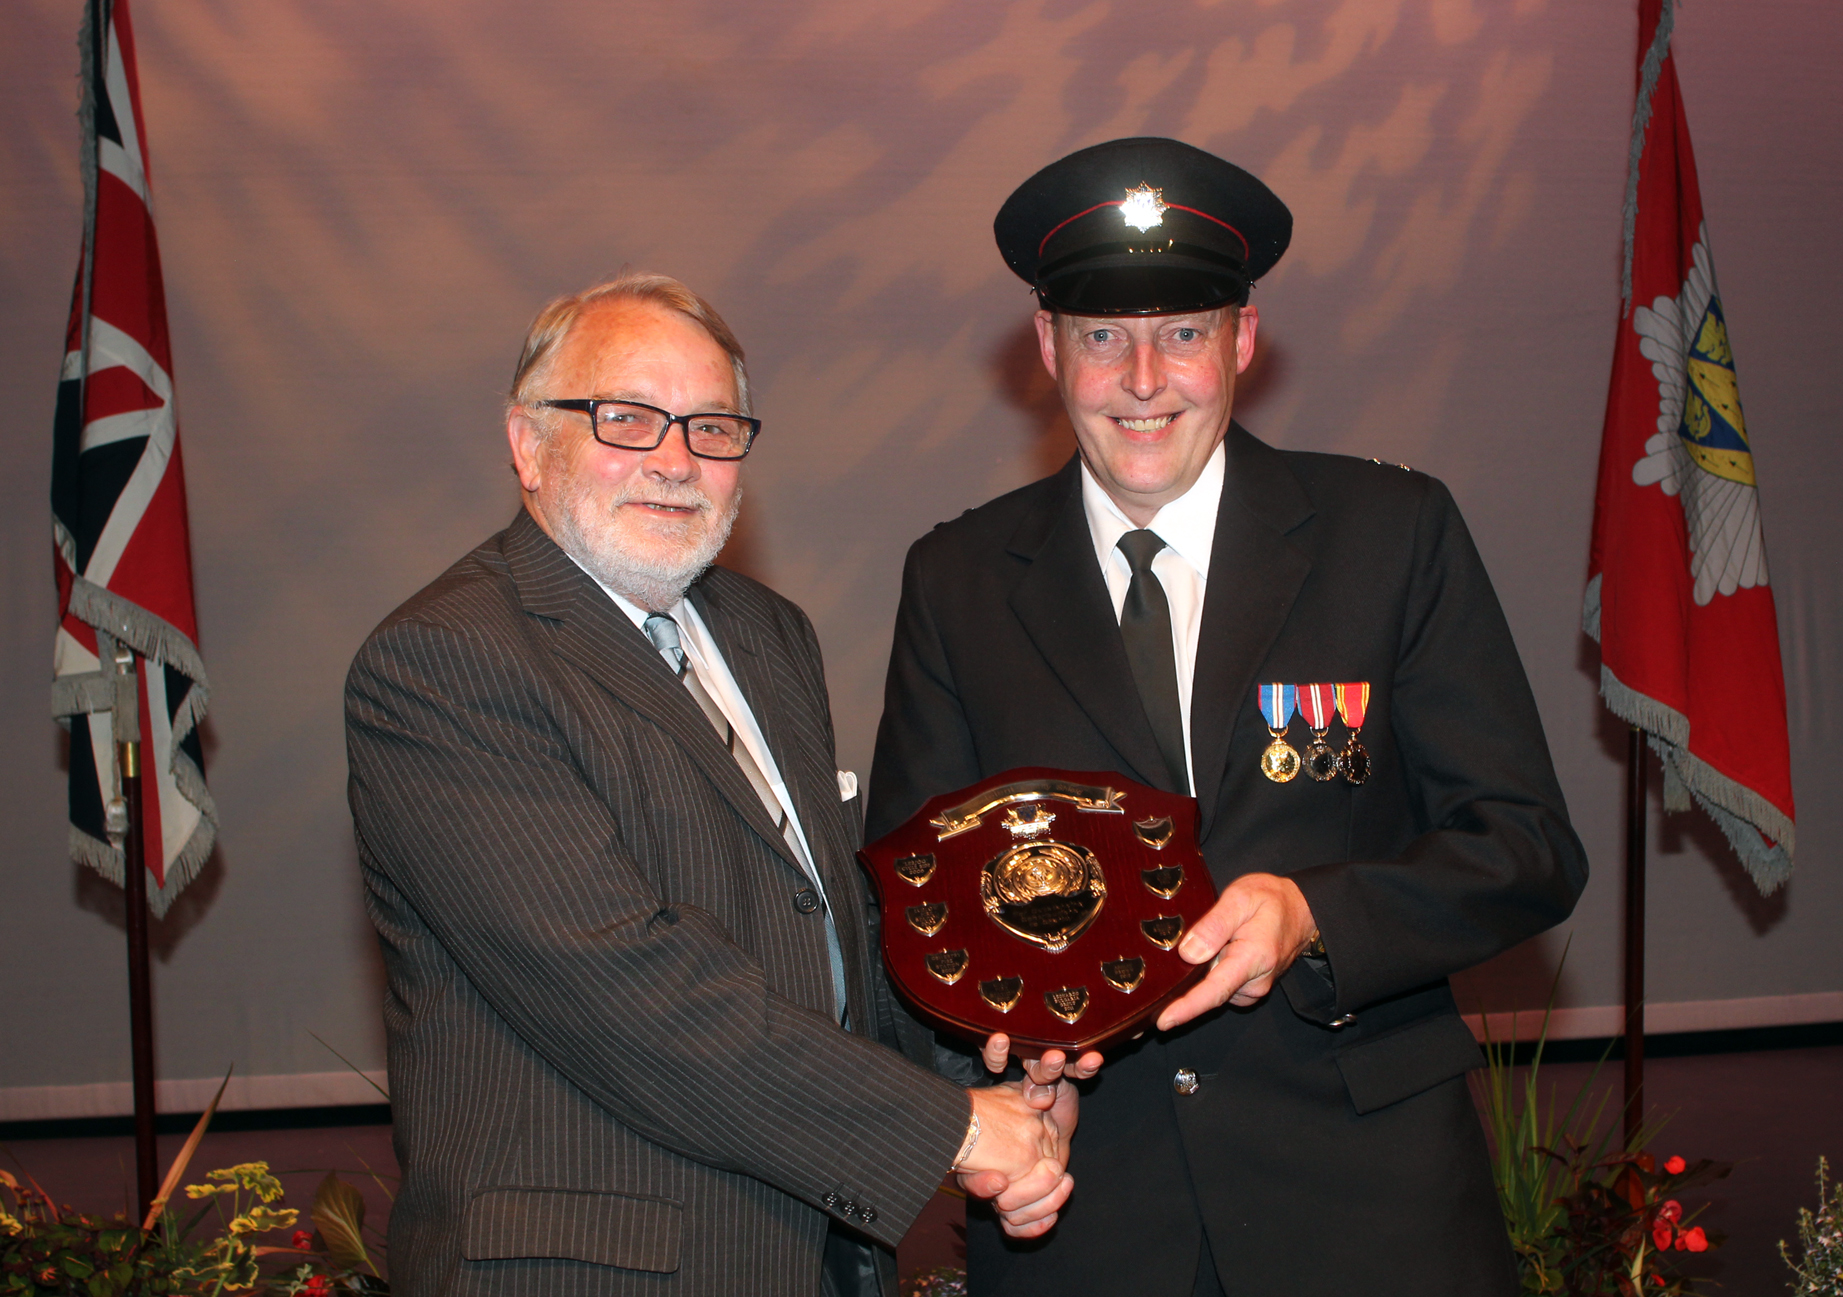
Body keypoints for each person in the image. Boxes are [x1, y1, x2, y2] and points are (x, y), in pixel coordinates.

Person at [866, 138, 1589, 1295]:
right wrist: (990, 1061)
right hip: (1087, 1203)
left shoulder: (1388, 534)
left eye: (1183, 332)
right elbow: (913, 903)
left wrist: (1316, 912)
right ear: (1046, 349)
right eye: (1103, 335)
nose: (1144, 377)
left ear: (1242, 340)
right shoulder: (957, 580)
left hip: (1368, 1202)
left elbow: (1524, 848)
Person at [345, 273, 1079, 1297]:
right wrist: (952, 1131)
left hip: (807, 1246)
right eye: (628, 419)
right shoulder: (447, 660)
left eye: (712, 426)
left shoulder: (769, 637)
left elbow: (822, 930)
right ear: (527, 444)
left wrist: (988, 1063)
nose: (676, 460)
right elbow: (623, 990)